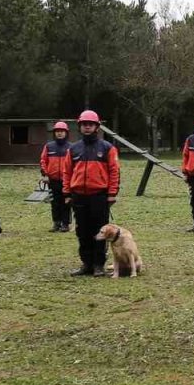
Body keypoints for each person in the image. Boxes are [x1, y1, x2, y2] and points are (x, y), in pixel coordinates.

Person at [61, 110, 120, 277]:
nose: (87, 127)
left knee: (100, 231)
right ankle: (86, 264)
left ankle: (98, 265)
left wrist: (112, 193)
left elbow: (114, 171)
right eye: (84, 124)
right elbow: (67, 172)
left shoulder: (108, 148)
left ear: (96, 127)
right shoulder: (73, 149)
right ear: (80, 127)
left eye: (90, 124)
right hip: (79, 195)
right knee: (82, 231)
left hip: (99, 196)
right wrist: (67, 193)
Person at [39, 121, 71, 232]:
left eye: (62, 131)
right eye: (57, 131)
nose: (59, 133)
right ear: (54, 133)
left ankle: (65, 224)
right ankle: (56, 223)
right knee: (54, 202)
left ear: (66, 133)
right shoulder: (48, 146)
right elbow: (43, 161)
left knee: (66, 202)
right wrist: (45, 175)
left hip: (67, 181)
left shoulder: (71, 147)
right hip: (52, 180)